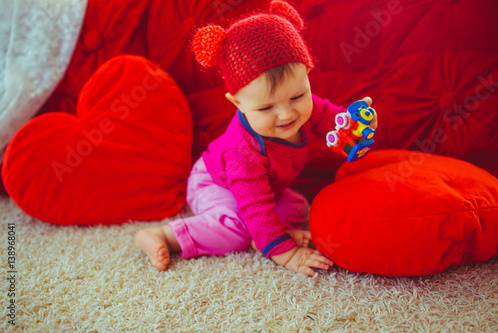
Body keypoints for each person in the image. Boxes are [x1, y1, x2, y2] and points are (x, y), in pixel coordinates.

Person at [136, 0, 377, 276]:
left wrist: (360, 127)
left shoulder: (309, 108)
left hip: (268, 187)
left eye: (297, 96)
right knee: (237, 226)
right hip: (215, 182)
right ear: (237, 104)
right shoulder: (242, 152)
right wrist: (287, 254)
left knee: (298, 207)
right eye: (266, 108)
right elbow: (256, 206)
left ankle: (263, 237)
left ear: (307, 75)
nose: (287, 114)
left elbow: (340, 128)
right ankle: (166, 235)